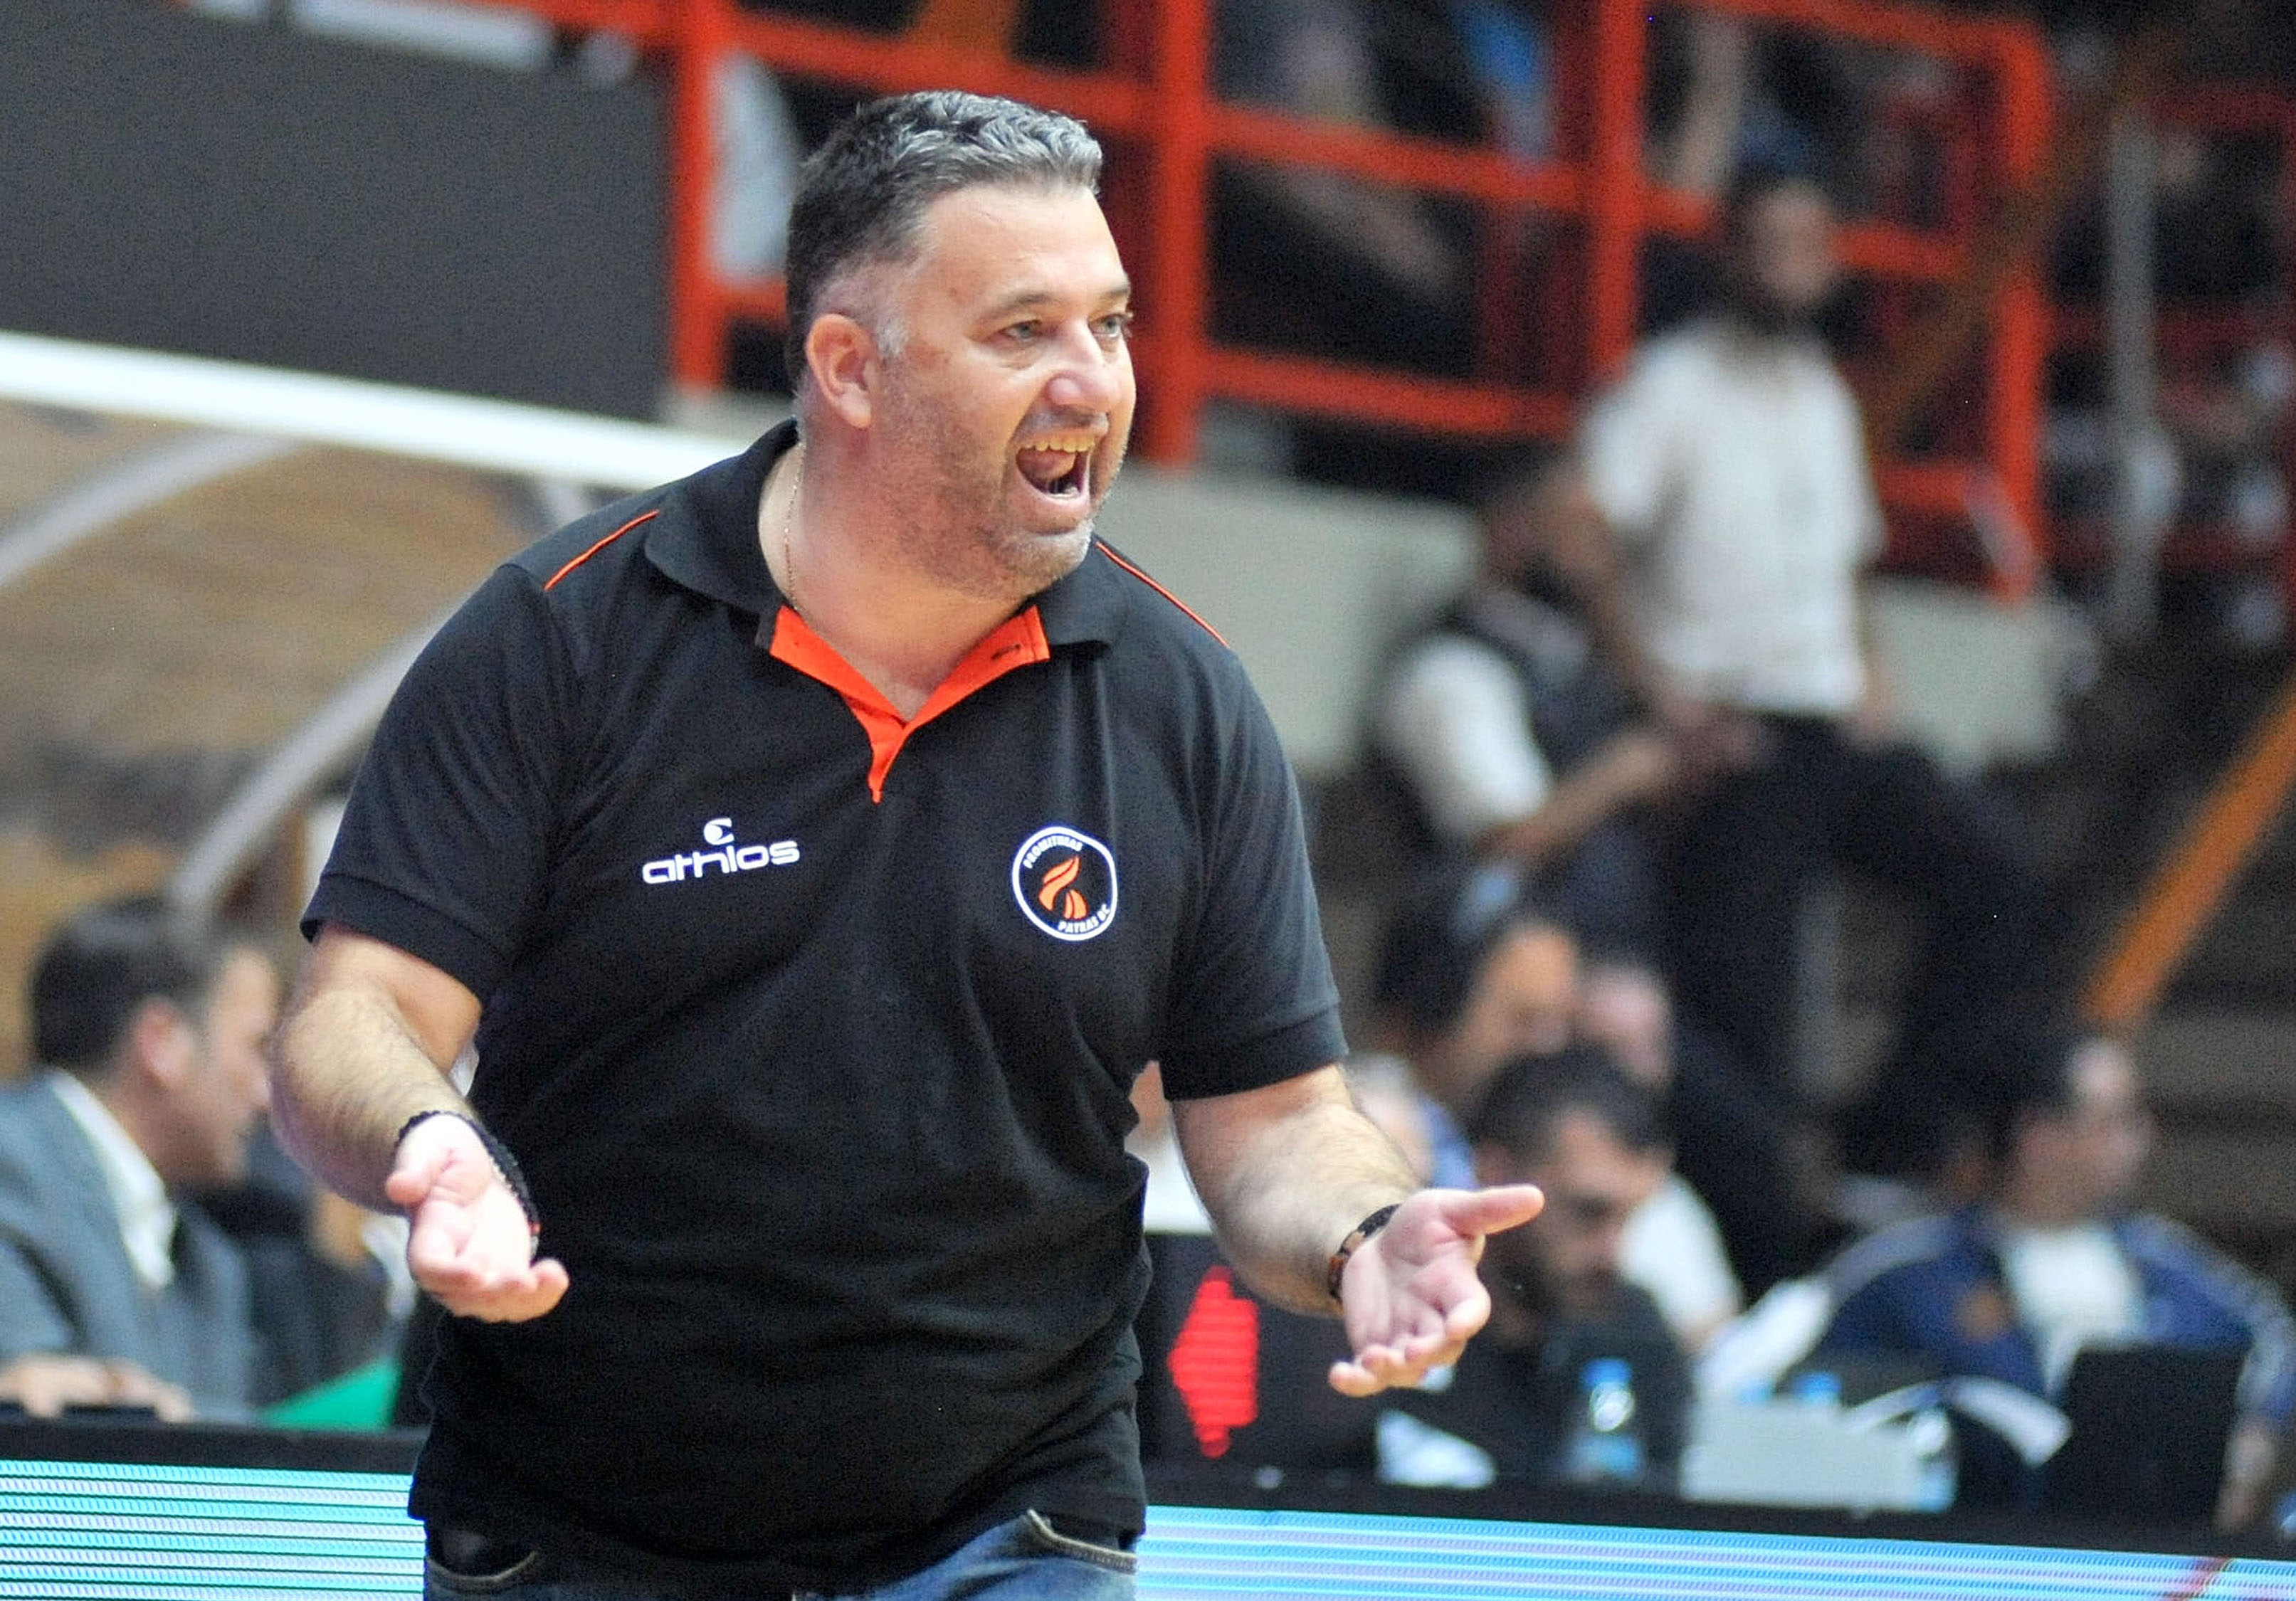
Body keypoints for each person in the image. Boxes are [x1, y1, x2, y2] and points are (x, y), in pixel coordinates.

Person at [267, 90, 1541, 1601]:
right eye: (1023, 332)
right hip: (586, 1526)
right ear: (849, 367)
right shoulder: (561, 640)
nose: (1093, 381)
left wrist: (1364, 1230)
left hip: (1006, 1525)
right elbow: (354, 1019)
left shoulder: (1183, 700)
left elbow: (1273, 1124)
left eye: (1110, 325)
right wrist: (430, 1143)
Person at [1576, 163, 2051, 1173]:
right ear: (1727, 253)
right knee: (1742, 1001)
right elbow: (1583, 533)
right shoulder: (1667, 382)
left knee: (1999, 873)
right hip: (1732, 729)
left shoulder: (1825, 392)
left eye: (1807, 245)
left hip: (1834, 720)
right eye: (1767, 243)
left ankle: (1888, 1142)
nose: (1787, 265)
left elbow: (1847, 560)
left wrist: (1873, 672)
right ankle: (1766, 1203)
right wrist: (1657, 694)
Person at [1816, 1020, 2295, 1525]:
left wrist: (2250, 1443)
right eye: (2115, 1121)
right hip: (1967, 1547)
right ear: (2039, 1137)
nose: (2142, 1139)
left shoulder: (2165, 1261)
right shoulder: (1907, 1272)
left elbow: (2277, 1344)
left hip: (2144, 1547)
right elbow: (1809, 1395)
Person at [1365, 864, 1743, 1354]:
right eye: (1523, 1020)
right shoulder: (1361, 1141)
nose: (1548, 1048)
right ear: (1420, 1021)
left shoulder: (1617, 1168)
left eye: (1563, 1021)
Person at [0, 896, 276, 1421]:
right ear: (163, 1042)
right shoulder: (10, 1165)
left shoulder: (209, 1258)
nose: (267, 1096)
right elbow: (35, 1429)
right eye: (256, 1048)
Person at [1374, 1046, 1690, 1490]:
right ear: (1495, 1175)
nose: (1612, 1252)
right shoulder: (1401, 1330)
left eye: (1630, 1218)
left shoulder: (1634, 1334)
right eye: (1588, 1212)